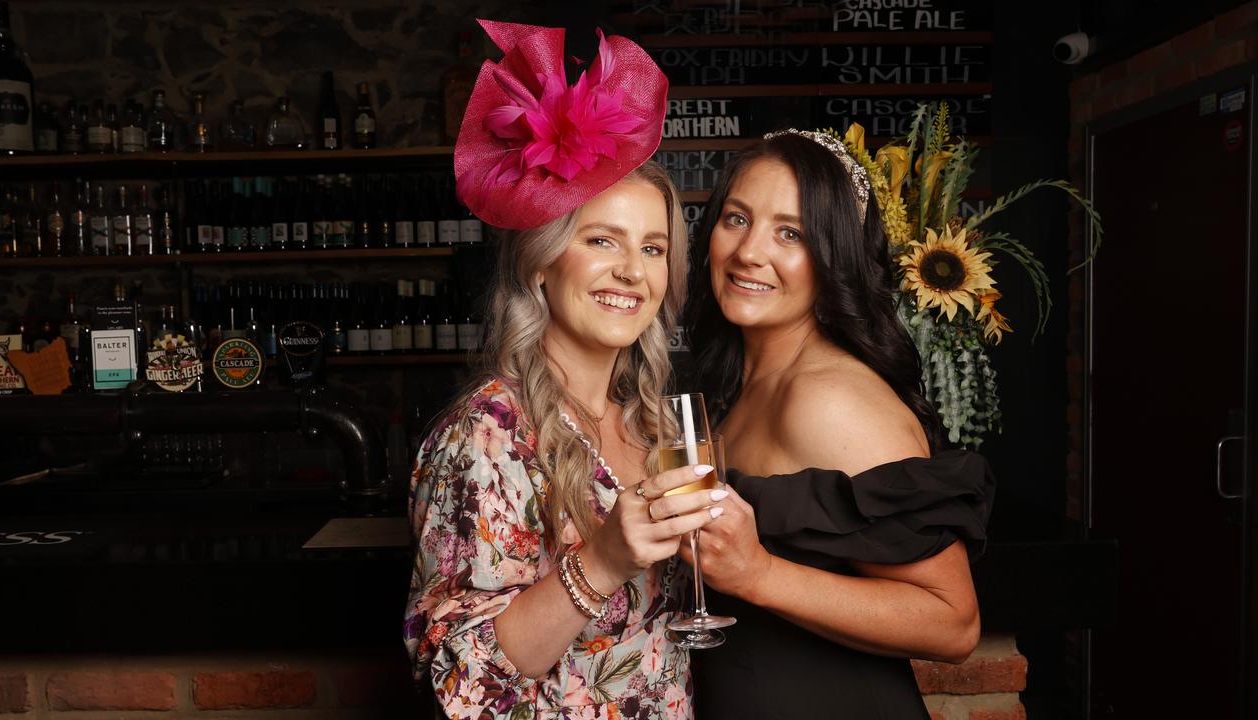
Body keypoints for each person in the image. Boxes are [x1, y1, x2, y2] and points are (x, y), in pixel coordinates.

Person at [405, 20, 724, 719]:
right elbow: (462, 686)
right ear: (544, 263)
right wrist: (604, 560)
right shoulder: (485, 436)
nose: (630, 271)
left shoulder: (646, 417)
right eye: (601, 240)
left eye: (652, 247)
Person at [685, 130, 995, 718]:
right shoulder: (735, 383)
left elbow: (954, 624)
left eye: (790, 233)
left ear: (833, 256)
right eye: (736, 218)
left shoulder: (829, 398)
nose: (750, 251)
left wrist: (759, 574)